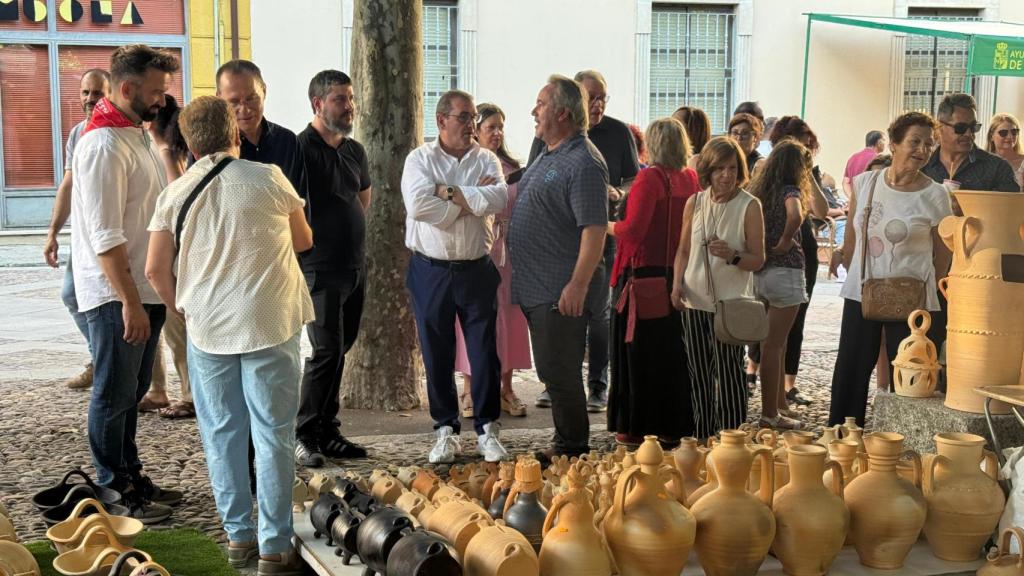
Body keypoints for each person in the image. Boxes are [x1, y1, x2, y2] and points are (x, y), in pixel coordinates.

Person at [145, 95, 313, 575]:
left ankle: (238, 538)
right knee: (274, 435)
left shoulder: (174, 193)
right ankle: (274, 546)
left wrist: (187, 305)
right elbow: (303, 240)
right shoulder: (269, 178)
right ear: (235, 135)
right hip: (269, 322)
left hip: (209, 329)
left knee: (221, 434)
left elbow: (156, 269)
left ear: (190, 143)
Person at [71, 44, 181, 522]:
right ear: (128, 88)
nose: (162, 100)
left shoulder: (134, 134)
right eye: (156, 91)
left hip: (143, 288)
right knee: (114, 393)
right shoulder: (101, 144)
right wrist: (130, 302)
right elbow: (105, 235)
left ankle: (129, 473)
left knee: (132, 388)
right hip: (116, 294)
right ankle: (112, 487)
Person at [402, 89, 509, 464]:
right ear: (441, 120)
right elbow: (416, 204)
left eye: (474, 117)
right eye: (464, 117)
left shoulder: (487, 158)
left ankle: (487, 429)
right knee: (437, 352)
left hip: (476, 268)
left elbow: (499, 199)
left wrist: (446, 193)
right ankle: (445, 428)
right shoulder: (420, 159)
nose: (472, 125)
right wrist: (468, 202)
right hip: (430, 268)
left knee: (484, 353)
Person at [827, 112, 953, 426]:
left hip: (915, 300)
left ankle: (900, 445)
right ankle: (842, 439)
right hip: (863, 290)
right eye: (915, 142)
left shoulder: (936, 195)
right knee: (851, 369)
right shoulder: (866, 183)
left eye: (928, 144)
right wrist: (843, 255)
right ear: (894, 143)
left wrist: (937, 297)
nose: (922, 150)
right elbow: (854, 235)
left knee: (909, 377)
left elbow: (943, 254)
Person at [216, 59, 307, 491]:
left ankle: (273, 478)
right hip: (229, 287)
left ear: (264, 91)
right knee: (235, 401)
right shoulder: (210, 151)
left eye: (250, 98)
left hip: (275, 284)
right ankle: (246, 478)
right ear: (221, 101)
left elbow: (300, 217)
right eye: (233, 101)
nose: (244, 108)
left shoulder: (287, 143)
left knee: (273, 398)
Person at [527, 70, 639, 413]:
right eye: (592, 96)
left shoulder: (616, 134)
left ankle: (597, 385)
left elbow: (636, 178)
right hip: (558, 247)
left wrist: (618, 192)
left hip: (599, 241)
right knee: (561, 318)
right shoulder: (548, 138)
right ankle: (559, 384)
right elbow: (533, 180)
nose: (598, 103)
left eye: (603, 96)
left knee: (596, 316)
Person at [509, 75, 607, 462]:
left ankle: (572, 450)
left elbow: (594, 230)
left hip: (559, 289)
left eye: (540, 104)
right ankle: (567, 443)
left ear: (563, 113)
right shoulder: (551, 153)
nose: (534, 112)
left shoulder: (583, 161)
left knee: (561, 372)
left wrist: (577, 285)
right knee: (554, 370)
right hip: (539, 287)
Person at [294, 70, 371, 467]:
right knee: (325, 351)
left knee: (341, 348)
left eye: (350, 97)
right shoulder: (299, 148)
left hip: (354, 266)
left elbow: (363, 196)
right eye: (340, 98)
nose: (349, 105)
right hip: (319, 268)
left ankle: (328, 428)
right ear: (317, 104)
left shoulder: (356, 150)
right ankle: (304, 433)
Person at [607, 117, 698, 447]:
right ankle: (673, 424)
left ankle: (635, 425)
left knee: (638, 356)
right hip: (678, 274)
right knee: (672, 356)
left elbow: (633, 231)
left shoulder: (650, 178)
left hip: (643, 277)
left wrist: (604, 226)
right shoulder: (690, 178)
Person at [671, 136, 764, 440]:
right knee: (698, 375)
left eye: (733, 168)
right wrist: (676, 285)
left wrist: (733, 255)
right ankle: (701, 437)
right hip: (695, 301)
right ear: (707, 171)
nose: (727, 174)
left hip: (731, 304)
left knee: (729, 375)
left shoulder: (749, 206)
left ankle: (732, 439)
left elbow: (758, 260)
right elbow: (683, 250)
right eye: (720, 168)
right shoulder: (695, 202)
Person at [454, 103, 531, 419]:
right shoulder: (466, 167)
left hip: (510, 253)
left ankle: (507, 388)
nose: (497, 133)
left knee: (510, 319)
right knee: (475, 317)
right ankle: (469, 387)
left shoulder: (513, 166)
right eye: (491, 128)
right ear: (476, 131)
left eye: (501, 127)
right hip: (478, 249)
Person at [746, 116, 828, 408]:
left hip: (761, 270)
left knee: (768, 343)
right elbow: (795, 214)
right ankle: (772, 410)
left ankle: (778, 404)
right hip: (786, 271)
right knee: (775, 345)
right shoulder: (791, 191)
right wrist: (784, 240)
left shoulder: (759, 192)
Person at [43, 68, 110, 390]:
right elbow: (68, 184)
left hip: (112, 232)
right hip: (83, 237)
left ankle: (114, 365)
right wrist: (53, 231)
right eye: (85, 92)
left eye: (97, 92)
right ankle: (99, 357)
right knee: (71, 295)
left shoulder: (119, 132)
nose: (90, 99)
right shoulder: (78, 133)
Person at [137, 94, 193, 419]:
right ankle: (158, 389)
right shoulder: (174, 151)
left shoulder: (165, 153)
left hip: (167, 251)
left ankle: (188, 394)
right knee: (161, 323)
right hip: (164, 249)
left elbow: (175, 196)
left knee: (173, 324)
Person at [923, 93, 1019, 194]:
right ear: (939, 127)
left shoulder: (998, 168)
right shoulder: (923, 165)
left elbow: (1011, 207)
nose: (969, 133)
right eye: (961, 128)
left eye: (973, 127)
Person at [842, 130, 887, 200]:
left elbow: (846, 182)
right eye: (884, 140)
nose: (885, 144)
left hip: (855, 205)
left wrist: (852, 199)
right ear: (879, 142)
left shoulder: (852, 158)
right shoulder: (878, 160)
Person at [987, 113, 1024, 188]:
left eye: (1014, 132)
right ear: (991, 136)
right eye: (1003, 133)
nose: (1010, 136)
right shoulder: (981, 163)